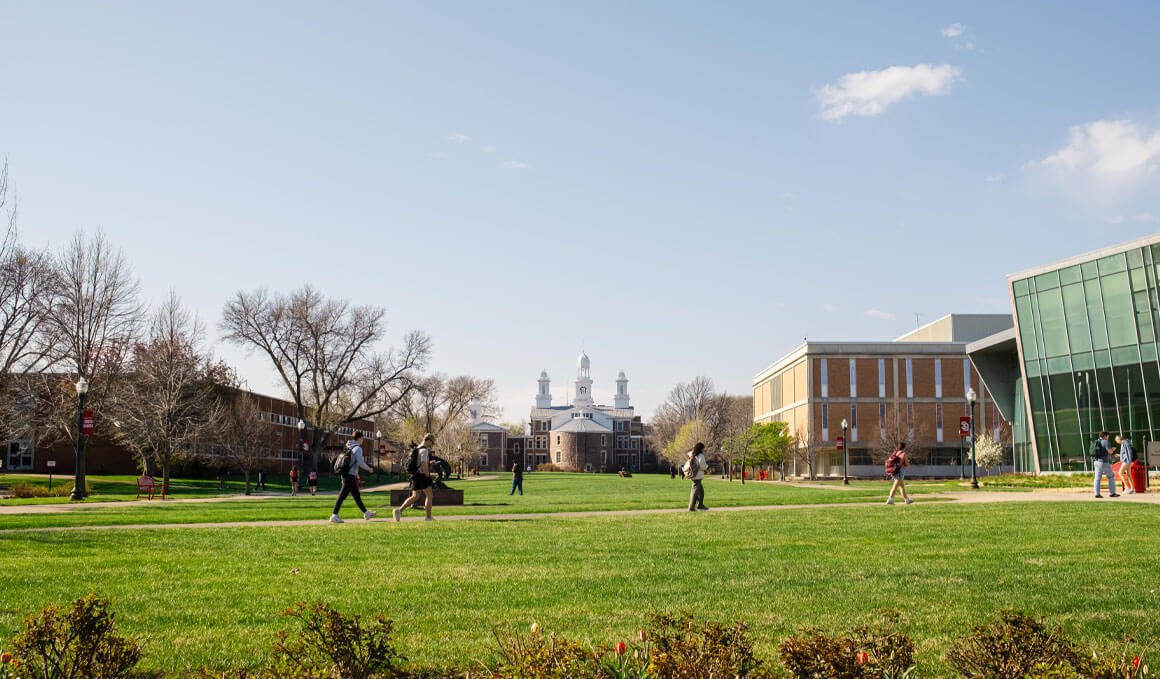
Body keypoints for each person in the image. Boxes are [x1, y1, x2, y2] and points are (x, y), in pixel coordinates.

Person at [329, 433, 376, 523]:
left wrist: (355, 474)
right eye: (363, 438)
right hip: (349, 476)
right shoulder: (358, 448)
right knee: (342, 496)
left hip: (348, 475)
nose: (363, 440)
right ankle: (334, 515)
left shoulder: (349, 447)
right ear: (360, 438)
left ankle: (366, 513)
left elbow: (349, 463)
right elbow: (361, 462)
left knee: (356, 495)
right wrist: (369, 469)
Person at [395, 433, 436, 522]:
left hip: (416, 475)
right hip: (422, 476)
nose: (432, 445)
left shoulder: (417, 448)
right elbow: (423, 464)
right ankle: (428, 517)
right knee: (429, 495)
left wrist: (429, 463)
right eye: (432, 443)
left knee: (415, 496)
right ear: (429, 441)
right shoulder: (424, 450)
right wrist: (428, 475)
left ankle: (399, 511)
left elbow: (419, 463)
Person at [1091, 431, 1120, 498]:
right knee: (1111, 476)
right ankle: (1112, 493)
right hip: (1104, 462)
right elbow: (1109, 452)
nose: (1108, 438)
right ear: (1105, 436)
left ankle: (1097, 493)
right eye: (1108, 436)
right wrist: (1112, 449)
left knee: (1097, 478)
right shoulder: (1105, 442)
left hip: (1096, 461)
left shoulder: (1096, 441)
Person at [682, 442, 709, 512]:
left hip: (693, 475)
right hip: (698, 476)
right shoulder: (700, 455)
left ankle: (700, 505)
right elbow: (702, 466)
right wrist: (707, 467)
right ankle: (691, 507)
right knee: (695, 491)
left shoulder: (692, 455)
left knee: (701, 491)